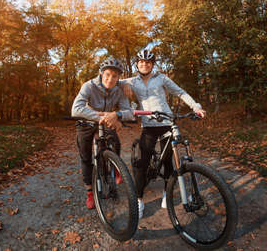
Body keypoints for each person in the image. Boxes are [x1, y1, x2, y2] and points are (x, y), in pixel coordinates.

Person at [121, 47, 206, 219]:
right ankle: (139, 200)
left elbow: (179, 92)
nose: (144, 64)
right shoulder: (131, 81)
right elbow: (109, 80)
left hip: (167, 122)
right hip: (148, 125)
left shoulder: (162, 78)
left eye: (148, 62)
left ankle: (167, 194)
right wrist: (124, 87)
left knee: (168, 161)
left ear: (152, 64)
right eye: (141, 62)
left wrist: (196, 106)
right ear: (137, 64)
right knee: (141, 162)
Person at [71, 56, 133, 209]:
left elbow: (129, 112)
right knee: (86, 157)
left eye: (114, 76)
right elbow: (76, 109)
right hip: (86, 121)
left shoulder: (120, 89)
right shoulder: (88, 86)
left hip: (106, 119)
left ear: (119, 78)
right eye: (107, 75)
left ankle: (115, 166)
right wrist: (104, 117)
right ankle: (90, 193)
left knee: (115, 142)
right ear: (101, 74)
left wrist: (117, 115)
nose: (110, 79)